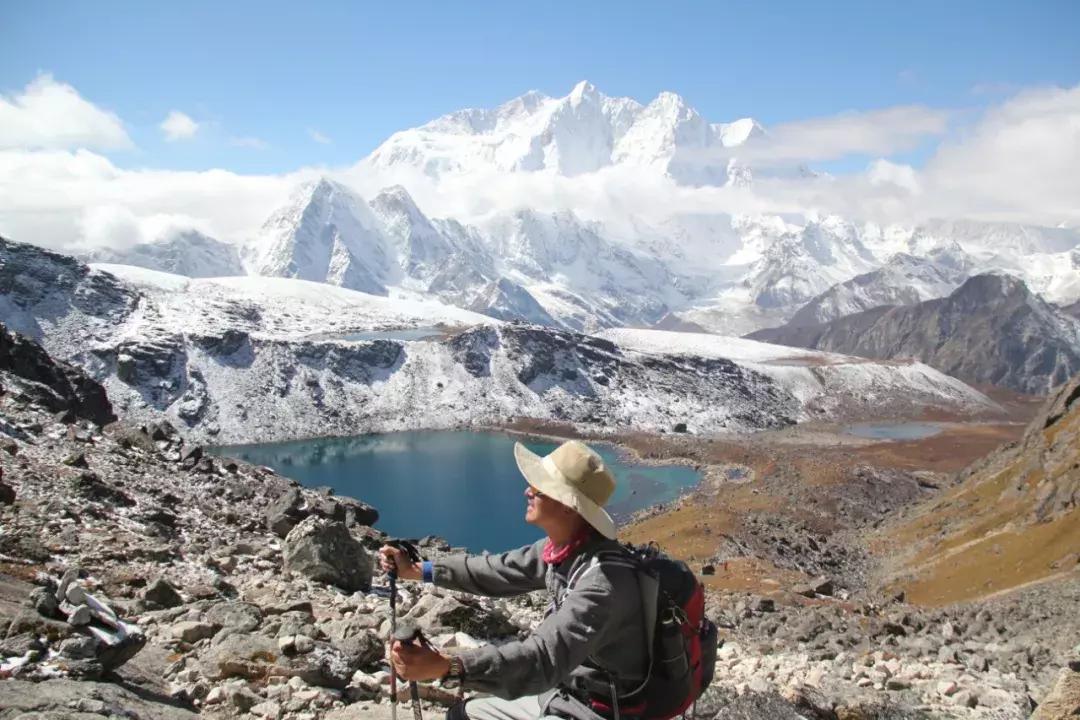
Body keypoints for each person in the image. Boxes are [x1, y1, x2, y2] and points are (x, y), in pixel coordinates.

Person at [379, 440, 652, 720]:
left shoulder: (601, 584)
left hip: (597, 711)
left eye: (540, 487)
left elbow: (542, 659)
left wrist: (450, 668)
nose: (527, 491)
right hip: (563, 695)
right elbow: (497, 571)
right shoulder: (565, 548)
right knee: (462, 715)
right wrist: (418, 570)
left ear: (569, 506)